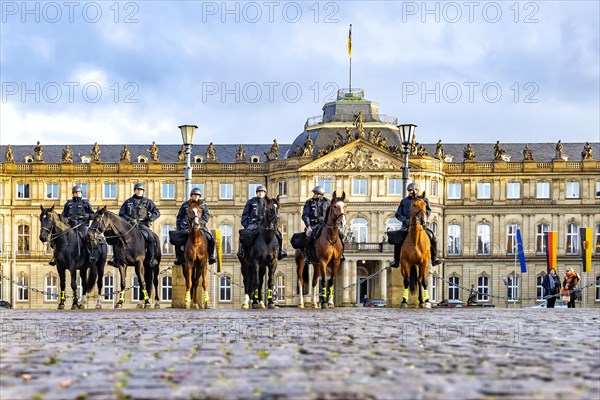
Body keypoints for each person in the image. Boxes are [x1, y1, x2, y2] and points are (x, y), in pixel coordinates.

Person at [390, 182, 442, 268]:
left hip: (422, 224)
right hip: (407, 225)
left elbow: (428, 211)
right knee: (398, 241)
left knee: (433, 237)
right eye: (409, 190)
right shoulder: (404, 201)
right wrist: (405, 220)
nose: (411, 191)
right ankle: (396, 260)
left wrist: (424, 217)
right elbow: (398, 214)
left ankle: (434, 258)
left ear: (417, 190)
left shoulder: (424, 200)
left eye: (413, 190)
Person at [49, 186, 95, 265]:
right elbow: (63, 215)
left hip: (82, 225)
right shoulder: (68, 204)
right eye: (75, 193)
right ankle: (55, 257)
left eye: (78, 193)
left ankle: (90, 255)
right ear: (73, 194)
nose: (76, 194)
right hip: (70, 226)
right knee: (58, 237)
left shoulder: (86, 203)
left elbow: (93, 215)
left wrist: (87, 216)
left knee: (86, 237)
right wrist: (65, 219)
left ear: (81, 193)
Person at [237, 185, 287, 260]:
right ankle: (242, 251)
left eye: (262, 192)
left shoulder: (269, 202)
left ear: (265, 193)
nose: (260, 193)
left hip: (265, 225)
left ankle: (281, 251)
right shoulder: (251, 202)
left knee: (279, 235)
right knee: (244, 234)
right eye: (259, 192)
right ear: (256, 193)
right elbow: (245, 215)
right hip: (253, 224)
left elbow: (273, 213)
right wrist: (247, 225)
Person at [116, 183, 160, 266]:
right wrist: (129, 219)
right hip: (129, 226)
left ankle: (152, 257)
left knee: (150, 237)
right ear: (135, 190)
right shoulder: (128, 202)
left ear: (143, 191)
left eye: (141, 190)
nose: (139, 191)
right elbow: (121, 214)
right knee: (118, 236)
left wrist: (150, 219)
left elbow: (157, 212)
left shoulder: (147, 202)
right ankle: (116, 258)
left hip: (142, 225)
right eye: (138, 189)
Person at [301, 185, 345, 261]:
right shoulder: (309, 202)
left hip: (325, 225)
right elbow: (305, 215)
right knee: (308, 236)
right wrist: (308, 226)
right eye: (314, 193)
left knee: (341, 235)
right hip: (314, 225)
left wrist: (336, 223)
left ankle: (341, 253)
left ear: (320, 194)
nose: (313, 195)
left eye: (315, 193)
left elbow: (332, 213)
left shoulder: (328, 202)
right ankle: (308, 255)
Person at [174, 187, 216, 265]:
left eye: (197, 195)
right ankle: (178, 258)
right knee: (178, 240)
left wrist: (201, 222)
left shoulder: (203, 205)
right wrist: (179, 228)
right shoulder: (185, 205)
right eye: (194, 195)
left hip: (200, 227)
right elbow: (179, 217)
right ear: (191, 195)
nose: (196, 196)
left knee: (211, 238)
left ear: (199, 196)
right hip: (186, 227)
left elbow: (206, 215)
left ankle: (211, 256)